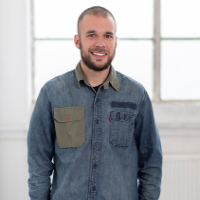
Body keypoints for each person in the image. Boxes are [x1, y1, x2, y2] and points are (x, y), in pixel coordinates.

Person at [27, 6, 162, 200]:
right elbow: (38, 162)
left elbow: (151, 163)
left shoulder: (136, 94)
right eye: (91, 35)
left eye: (108, 36)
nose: (101, 43)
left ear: (115, 41)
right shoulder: (52, 93)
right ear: (77, 41)